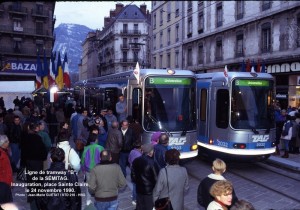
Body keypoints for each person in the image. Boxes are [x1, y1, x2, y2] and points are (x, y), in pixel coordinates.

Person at [21, 122, 47, 210]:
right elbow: (43, 152)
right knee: (38, 182)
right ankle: (38, 200)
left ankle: (32, 202)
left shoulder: (25, 138)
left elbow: (23, 152)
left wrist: (24, 163)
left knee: (31, 182)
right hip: (37, 163)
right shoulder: (38, 138)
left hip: (29, 163)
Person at [81, 126, 104, 206]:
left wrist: (83, 170)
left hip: (88, 170)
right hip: (98, 169)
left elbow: (83, 161)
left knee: (89, 185)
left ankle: (87, 200)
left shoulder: (86, 148)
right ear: (96, 140)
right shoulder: (101, 148)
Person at [131, 143, 159, 210]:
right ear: (151, 152)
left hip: (139, 190)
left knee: (140, 207)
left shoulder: (136, 160)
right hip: (149, 192)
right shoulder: (152, 162)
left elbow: (133, 176)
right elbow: (156, 178)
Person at [128, 141, 143, 205]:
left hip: (132, 170)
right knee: (136, 185)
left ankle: (133, 195)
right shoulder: (139, 155)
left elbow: (129, 159)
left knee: (134, 184)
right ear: (140, 147)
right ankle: (134, 199)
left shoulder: (132, 151)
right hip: (137, 172)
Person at [0, 135, 13, 203]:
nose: (8, 142)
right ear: (2, 143)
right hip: (2, 182)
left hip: (7, 180)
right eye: (6, 141)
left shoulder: (6, 151)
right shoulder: (1, 153)